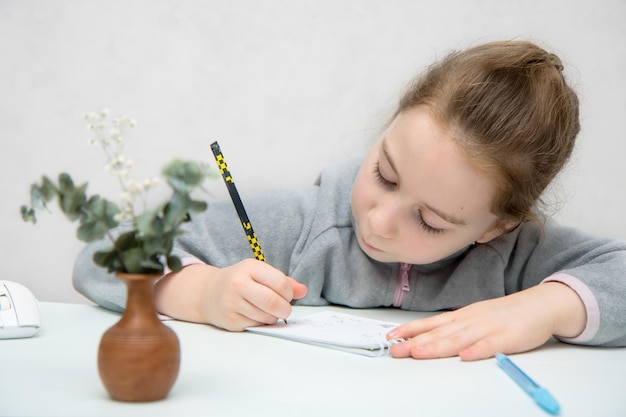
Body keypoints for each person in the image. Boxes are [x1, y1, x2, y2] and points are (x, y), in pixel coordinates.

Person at [73, 40, 626, 361]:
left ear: (495, 226)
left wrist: (545, 307)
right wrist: (202, 291)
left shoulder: (520, 255)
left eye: (430, 222)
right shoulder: (298, 225)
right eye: (384, 174)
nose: (379, 222)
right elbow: (104, 254)